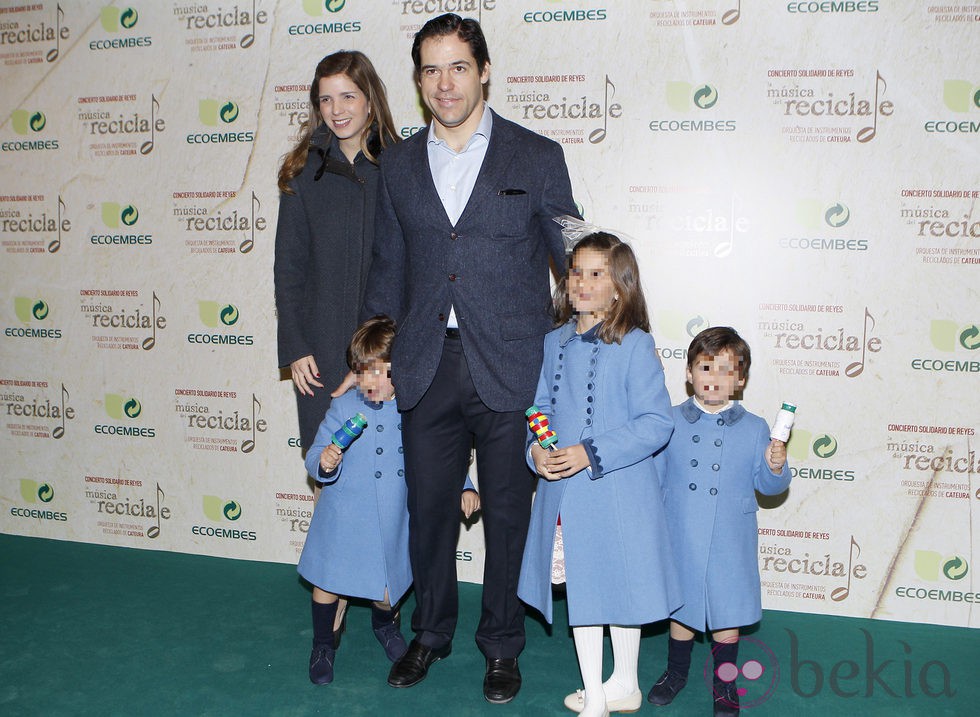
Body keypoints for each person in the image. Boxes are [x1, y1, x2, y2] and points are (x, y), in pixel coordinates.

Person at [350, 12, 579, 704]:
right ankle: (431, 632)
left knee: (508, 513)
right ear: (417, 81)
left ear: (483, 70)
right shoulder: (396, 162)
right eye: (429, 69)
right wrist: (374, 354)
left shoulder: (537, 156)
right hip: (425, 361)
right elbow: (388, 264)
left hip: (512, 363)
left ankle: (502, 644)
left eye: (457, 66)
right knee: (428, 512)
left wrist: (600, 336)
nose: (444, 83)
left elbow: (573, 255)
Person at [518, 232, 680, 717]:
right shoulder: (554, 342)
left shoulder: (635, 344)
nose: (582, 283)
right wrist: (536, 454)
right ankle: (595, 691)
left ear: (620, 287)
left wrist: (590, 452)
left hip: (621, 491)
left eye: (596, 274)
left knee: (620, 587)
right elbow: (540, 407)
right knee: (586, 590)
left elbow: (656, 423)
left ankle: (621, 686)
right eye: (575, 272)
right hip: (566, 495)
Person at [299, 315, 482, 685]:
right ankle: (322, 644)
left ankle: (385, 625)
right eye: (364, 372)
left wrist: (463, 484)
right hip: (345, 513)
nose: (372, 382)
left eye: (382, 372)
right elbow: (316, 452)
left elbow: (439, 456)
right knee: (327, 583)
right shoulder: (344, 408)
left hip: (394, 514)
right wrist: (324, 461)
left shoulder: (413, 408)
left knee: (388, 586)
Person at [646, 326, 790, 717]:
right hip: (681, 532)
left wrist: (775, 466)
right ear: (689, 373)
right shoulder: (668, 420)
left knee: (728, 615)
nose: (714, 378)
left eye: (726, 370)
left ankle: (725, 684)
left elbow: (768, 486)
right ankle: (675, 673)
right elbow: (654, 479)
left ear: (740, 380)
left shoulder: (756, 427)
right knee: (682, 611)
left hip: (730, 537)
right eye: (705, 367)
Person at [275, 49, 398, 454]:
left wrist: (394, 352)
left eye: (347, 96)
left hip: (385, 349)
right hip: (320, 354)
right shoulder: (302, 172)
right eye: (325, 99)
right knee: (326, 471)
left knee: (390, 476)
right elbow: (289, 268)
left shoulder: (401, 168)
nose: (336, 110)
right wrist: (295, 347)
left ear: (369, 100)